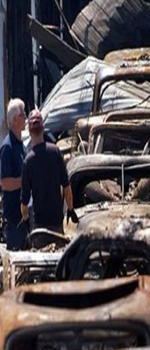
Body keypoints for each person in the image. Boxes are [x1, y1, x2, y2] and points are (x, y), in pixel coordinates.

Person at [20, 109, 76, 236]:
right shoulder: (55, 152)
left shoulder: (28, 161)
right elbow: (66, 187)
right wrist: (71, 209)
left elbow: (24, 201)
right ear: (43, 128)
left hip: (40, 225)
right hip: (57, 222)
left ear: (30, 132)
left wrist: (25, 218)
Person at [1, 98, 27, 249]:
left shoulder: (20, 144)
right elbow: (5, 183)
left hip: (23, 214)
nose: (26, 117)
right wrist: (25, 181)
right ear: (15, 120)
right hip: (14, 216)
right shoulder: (7, 147)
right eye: (23, 115)